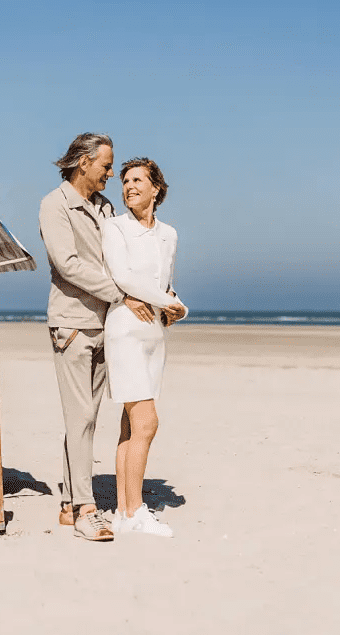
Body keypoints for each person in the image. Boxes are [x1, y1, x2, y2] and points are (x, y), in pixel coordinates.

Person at [38, 133, 151, 542]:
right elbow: (67, 264)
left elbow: (123, 260)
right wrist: (121, 293)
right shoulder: (54, 205)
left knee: (87, 418)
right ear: (83, 162)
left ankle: (70, 502)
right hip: (71, 325)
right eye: (106, 165)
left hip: (108, 326)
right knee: (80, 416)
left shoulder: (105, 208)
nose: (111, 173)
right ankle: (86, 509)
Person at [101, 157, 187, 537]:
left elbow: (163, 284)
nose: (129, 186)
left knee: (131, 424)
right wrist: (168, 303)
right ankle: (136, 511)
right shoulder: (114, 227)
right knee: (148, 422)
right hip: (124, 331)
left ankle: (123, 511)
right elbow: (123, 276)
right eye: (125, 181)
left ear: (156, 189)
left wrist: (173, 305)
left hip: (153, 335)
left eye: (138, 180)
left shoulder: (169, 234)